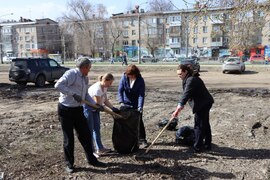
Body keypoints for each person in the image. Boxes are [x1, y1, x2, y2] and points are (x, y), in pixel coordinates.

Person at [55, 57, 106, 173]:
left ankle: (91, 160)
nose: (89, 70)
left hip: (78, 109)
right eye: (89, 68)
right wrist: (72, 94)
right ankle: (69, 164)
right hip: (65, 110)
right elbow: (58, 85)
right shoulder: (71, 74)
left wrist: (95, 105)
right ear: (84, 67)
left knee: (86, 135)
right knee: (69, 138)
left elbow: (86, 95)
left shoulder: (85, 78)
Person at [172, 64, 214, 153]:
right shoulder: (188, 78)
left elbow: (186, 94)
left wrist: (178, 108)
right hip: (204, 102)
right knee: (205, 124)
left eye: (180, 74)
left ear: (185, 72)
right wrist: (180, 106)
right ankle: (207, 145)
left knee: (198, 126)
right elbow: (187, 94)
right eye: (178, 74)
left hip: (203, 104)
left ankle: (198, 147)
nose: (179, 76)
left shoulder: (191, 80)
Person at [84, 73, 119, 157]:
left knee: (96, 129)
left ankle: (100, 148)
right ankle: (91, 151)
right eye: (109, 83)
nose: (110, 85)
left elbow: (105, 100)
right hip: (88, 109)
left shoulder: (104, 87)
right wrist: (108, 111)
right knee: (90, 130)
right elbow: (98, 104)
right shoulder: (97, 89)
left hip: (95, 109)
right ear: (105, 80)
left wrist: (113, 108)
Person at [117, 64, 147, 147]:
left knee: (139, 121)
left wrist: (140, 107)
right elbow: (120, 91)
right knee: (125, 121)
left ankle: (142, 139)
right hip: (126, 103)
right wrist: (121, 102)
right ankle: (128, 139)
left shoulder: (140, 80)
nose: (130, 77)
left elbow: (141, 95)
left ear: (135, 74)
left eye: (132, 75)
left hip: (136, 104)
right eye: (129, 75)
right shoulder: (124, 77)